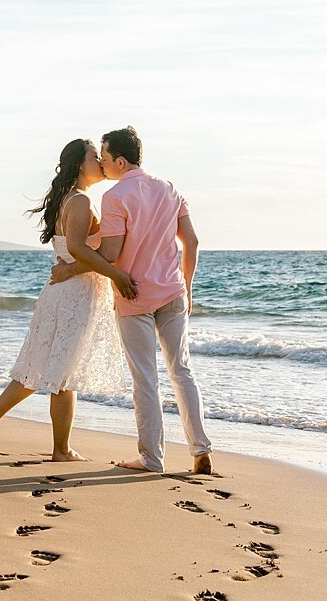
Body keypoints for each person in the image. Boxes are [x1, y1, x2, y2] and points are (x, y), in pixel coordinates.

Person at [50, 126, 213, 475]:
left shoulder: (116, 197)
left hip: (133, 296)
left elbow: (110, 252)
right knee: (182, 371)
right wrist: (187, 285)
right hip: (172, 293)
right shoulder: (169, 188)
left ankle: (152, 459)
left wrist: (71, 269)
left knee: (145, 380)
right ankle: (200, 450)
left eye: (105, 158)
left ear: (120, 161)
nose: (103, 164)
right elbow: (192, 243)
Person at [0, 138, 136, 461]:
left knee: (46, 367)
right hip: (74, 293)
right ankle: (61, 450)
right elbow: (76, 247)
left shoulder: (72, 199)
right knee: (62, 373)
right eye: (94, 157)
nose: (100, 163)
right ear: (79, 165)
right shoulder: (80, 202)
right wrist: (112, 275)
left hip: (64, 292)